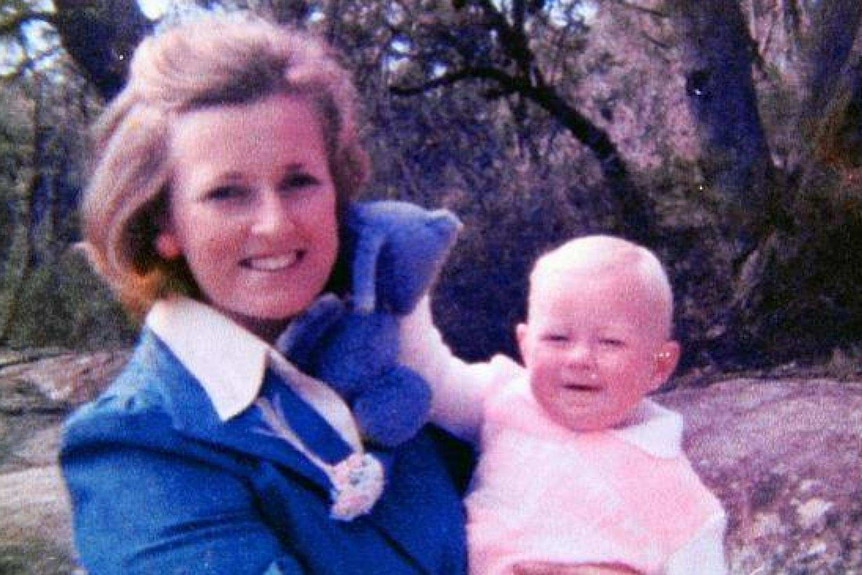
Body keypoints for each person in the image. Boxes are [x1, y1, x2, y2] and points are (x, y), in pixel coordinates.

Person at [60, 13, 471, 575]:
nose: (275, 225)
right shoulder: (136, 446)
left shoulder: (392, 348)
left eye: (299, 182)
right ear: (164, 224)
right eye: (227, 194)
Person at [402, 235, 728, 575]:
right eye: (557, 338)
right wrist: (408, 286)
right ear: (525, 347)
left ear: (659, 365)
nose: (579, 358)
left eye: (610, 342)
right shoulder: (503, 399)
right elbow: (428, 376)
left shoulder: (672, 488)